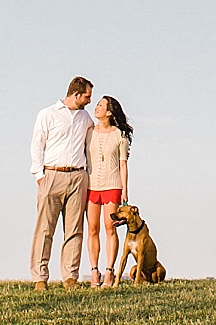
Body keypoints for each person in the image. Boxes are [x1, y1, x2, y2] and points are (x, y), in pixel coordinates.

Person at [29, 76, 94, 291]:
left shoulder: (86, 119)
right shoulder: (47, 114)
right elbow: (37, 144)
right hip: (52, 174)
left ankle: (70, 277)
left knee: (74, 229)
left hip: (78, 176)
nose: (89, 101)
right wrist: (40, 174)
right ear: (76, 94)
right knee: (45, 229)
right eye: (87, 96)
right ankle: (40, 277)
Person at [85, 95, 133, 287]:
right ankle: (94, 271)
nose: (96, 108)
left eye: (100, 105)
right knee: (92, 229)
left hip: (112, 185)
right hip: (91, 186)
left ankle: (109, 271)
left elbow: (123, 164)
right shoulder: (88, 132)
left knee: (109, 228)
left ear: (110, 112)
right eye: (96, 104)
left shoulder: (120, 136)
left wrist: (124, 190)